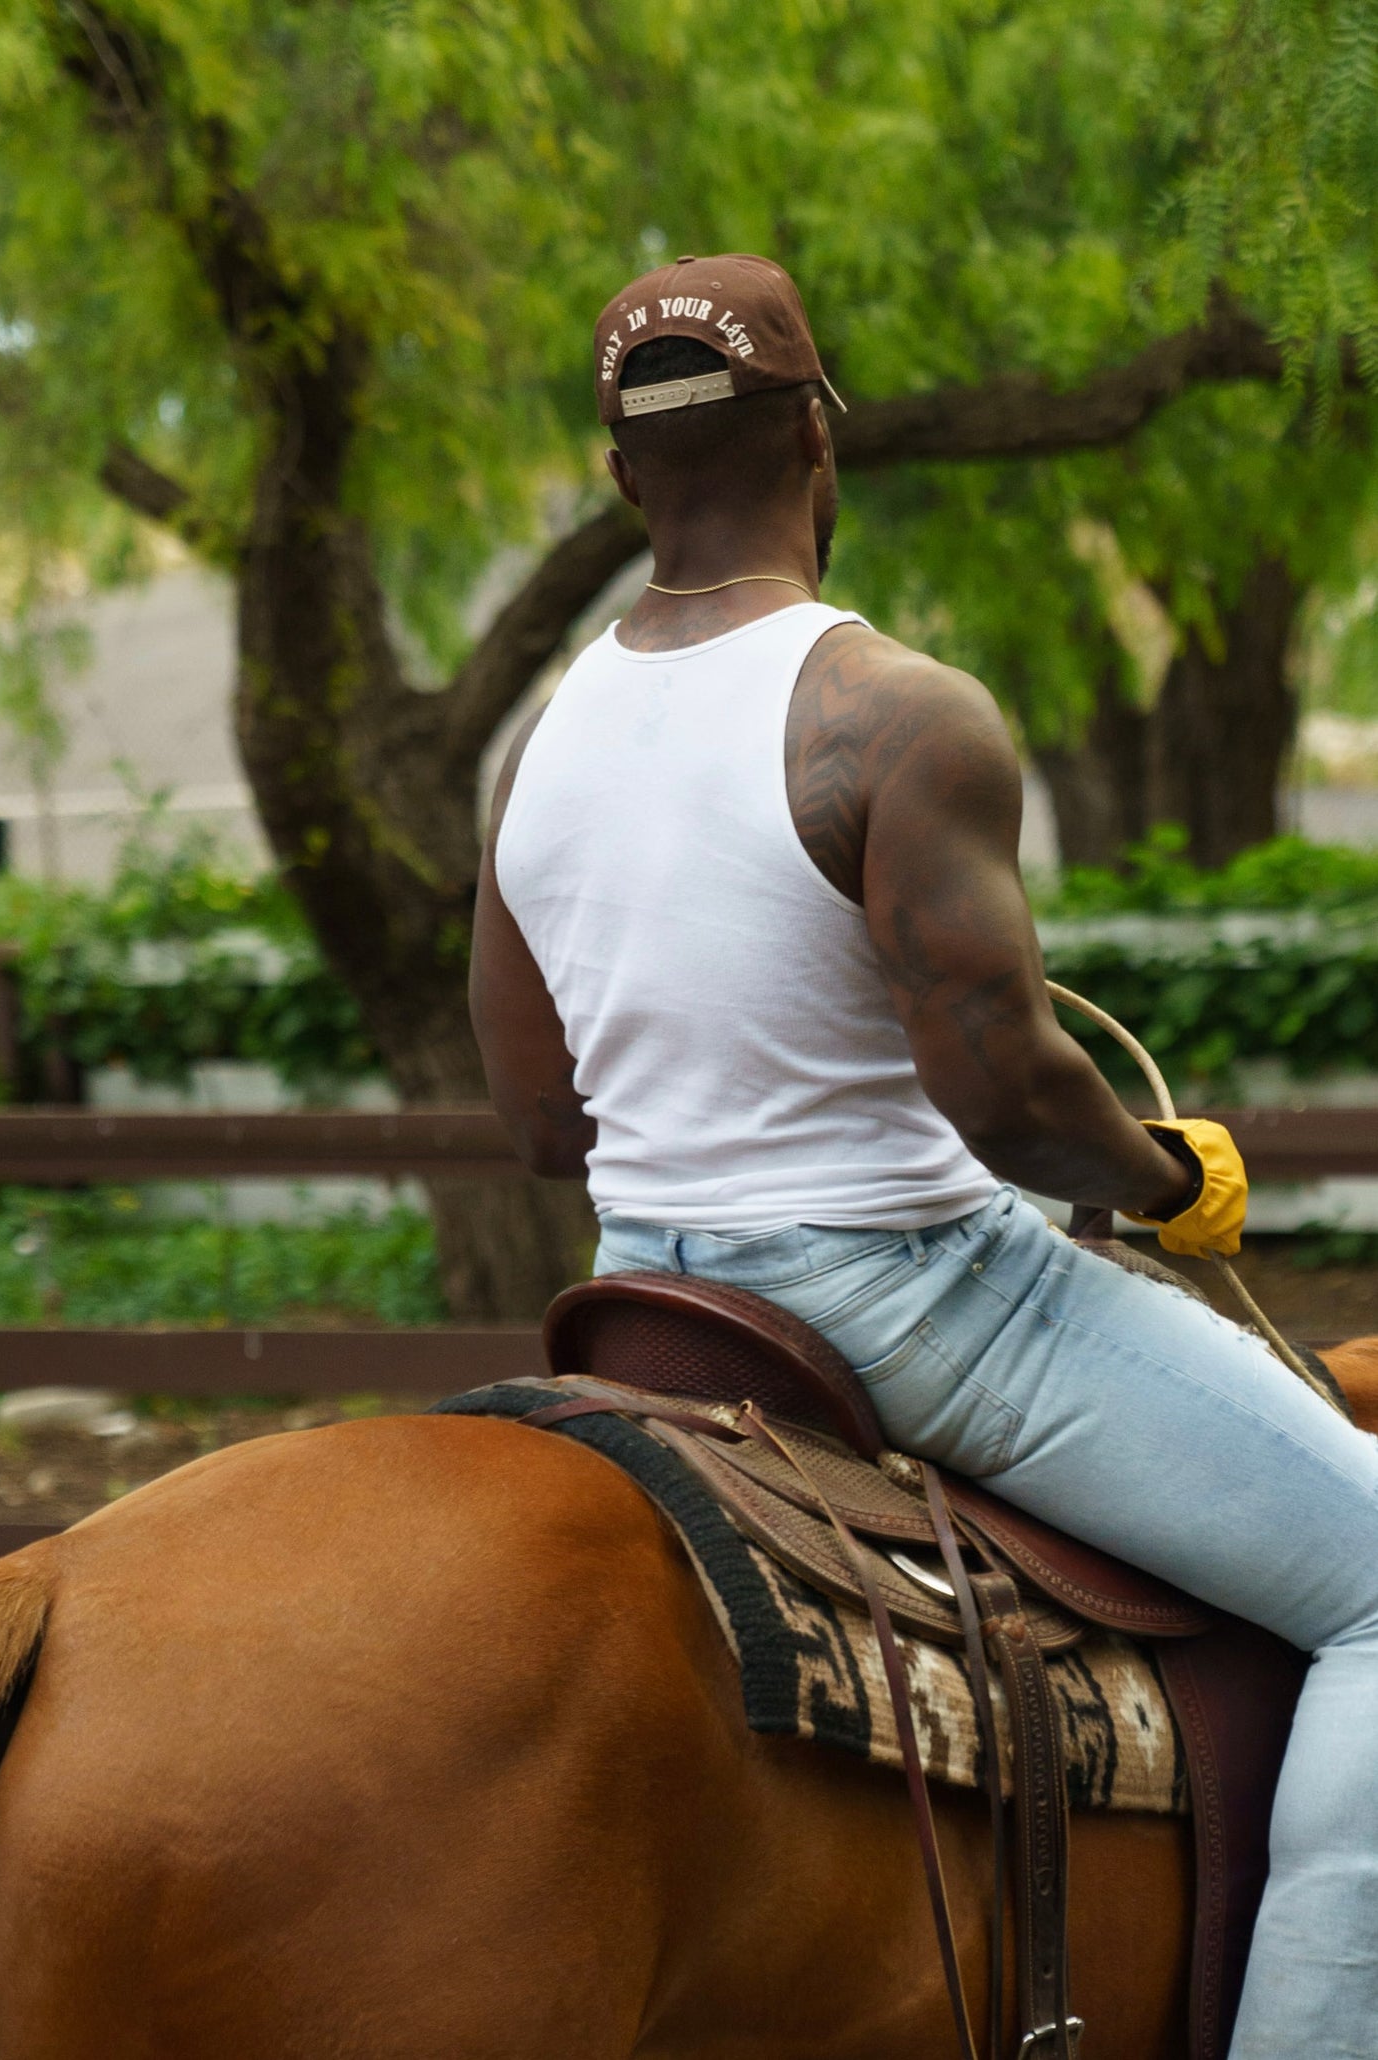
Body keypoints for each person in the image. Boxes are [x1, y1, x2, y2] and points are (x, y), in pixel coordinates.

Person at [469, 252, 1378, 2057]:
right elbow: (1003, 1096)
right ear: (823, 438)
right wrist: (1157, 1177)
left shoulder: (534, 752)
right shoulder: (893, 713)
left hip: (645, 1285)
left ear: (620, 472)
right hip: (909, 1296)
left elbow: (536, 1120)